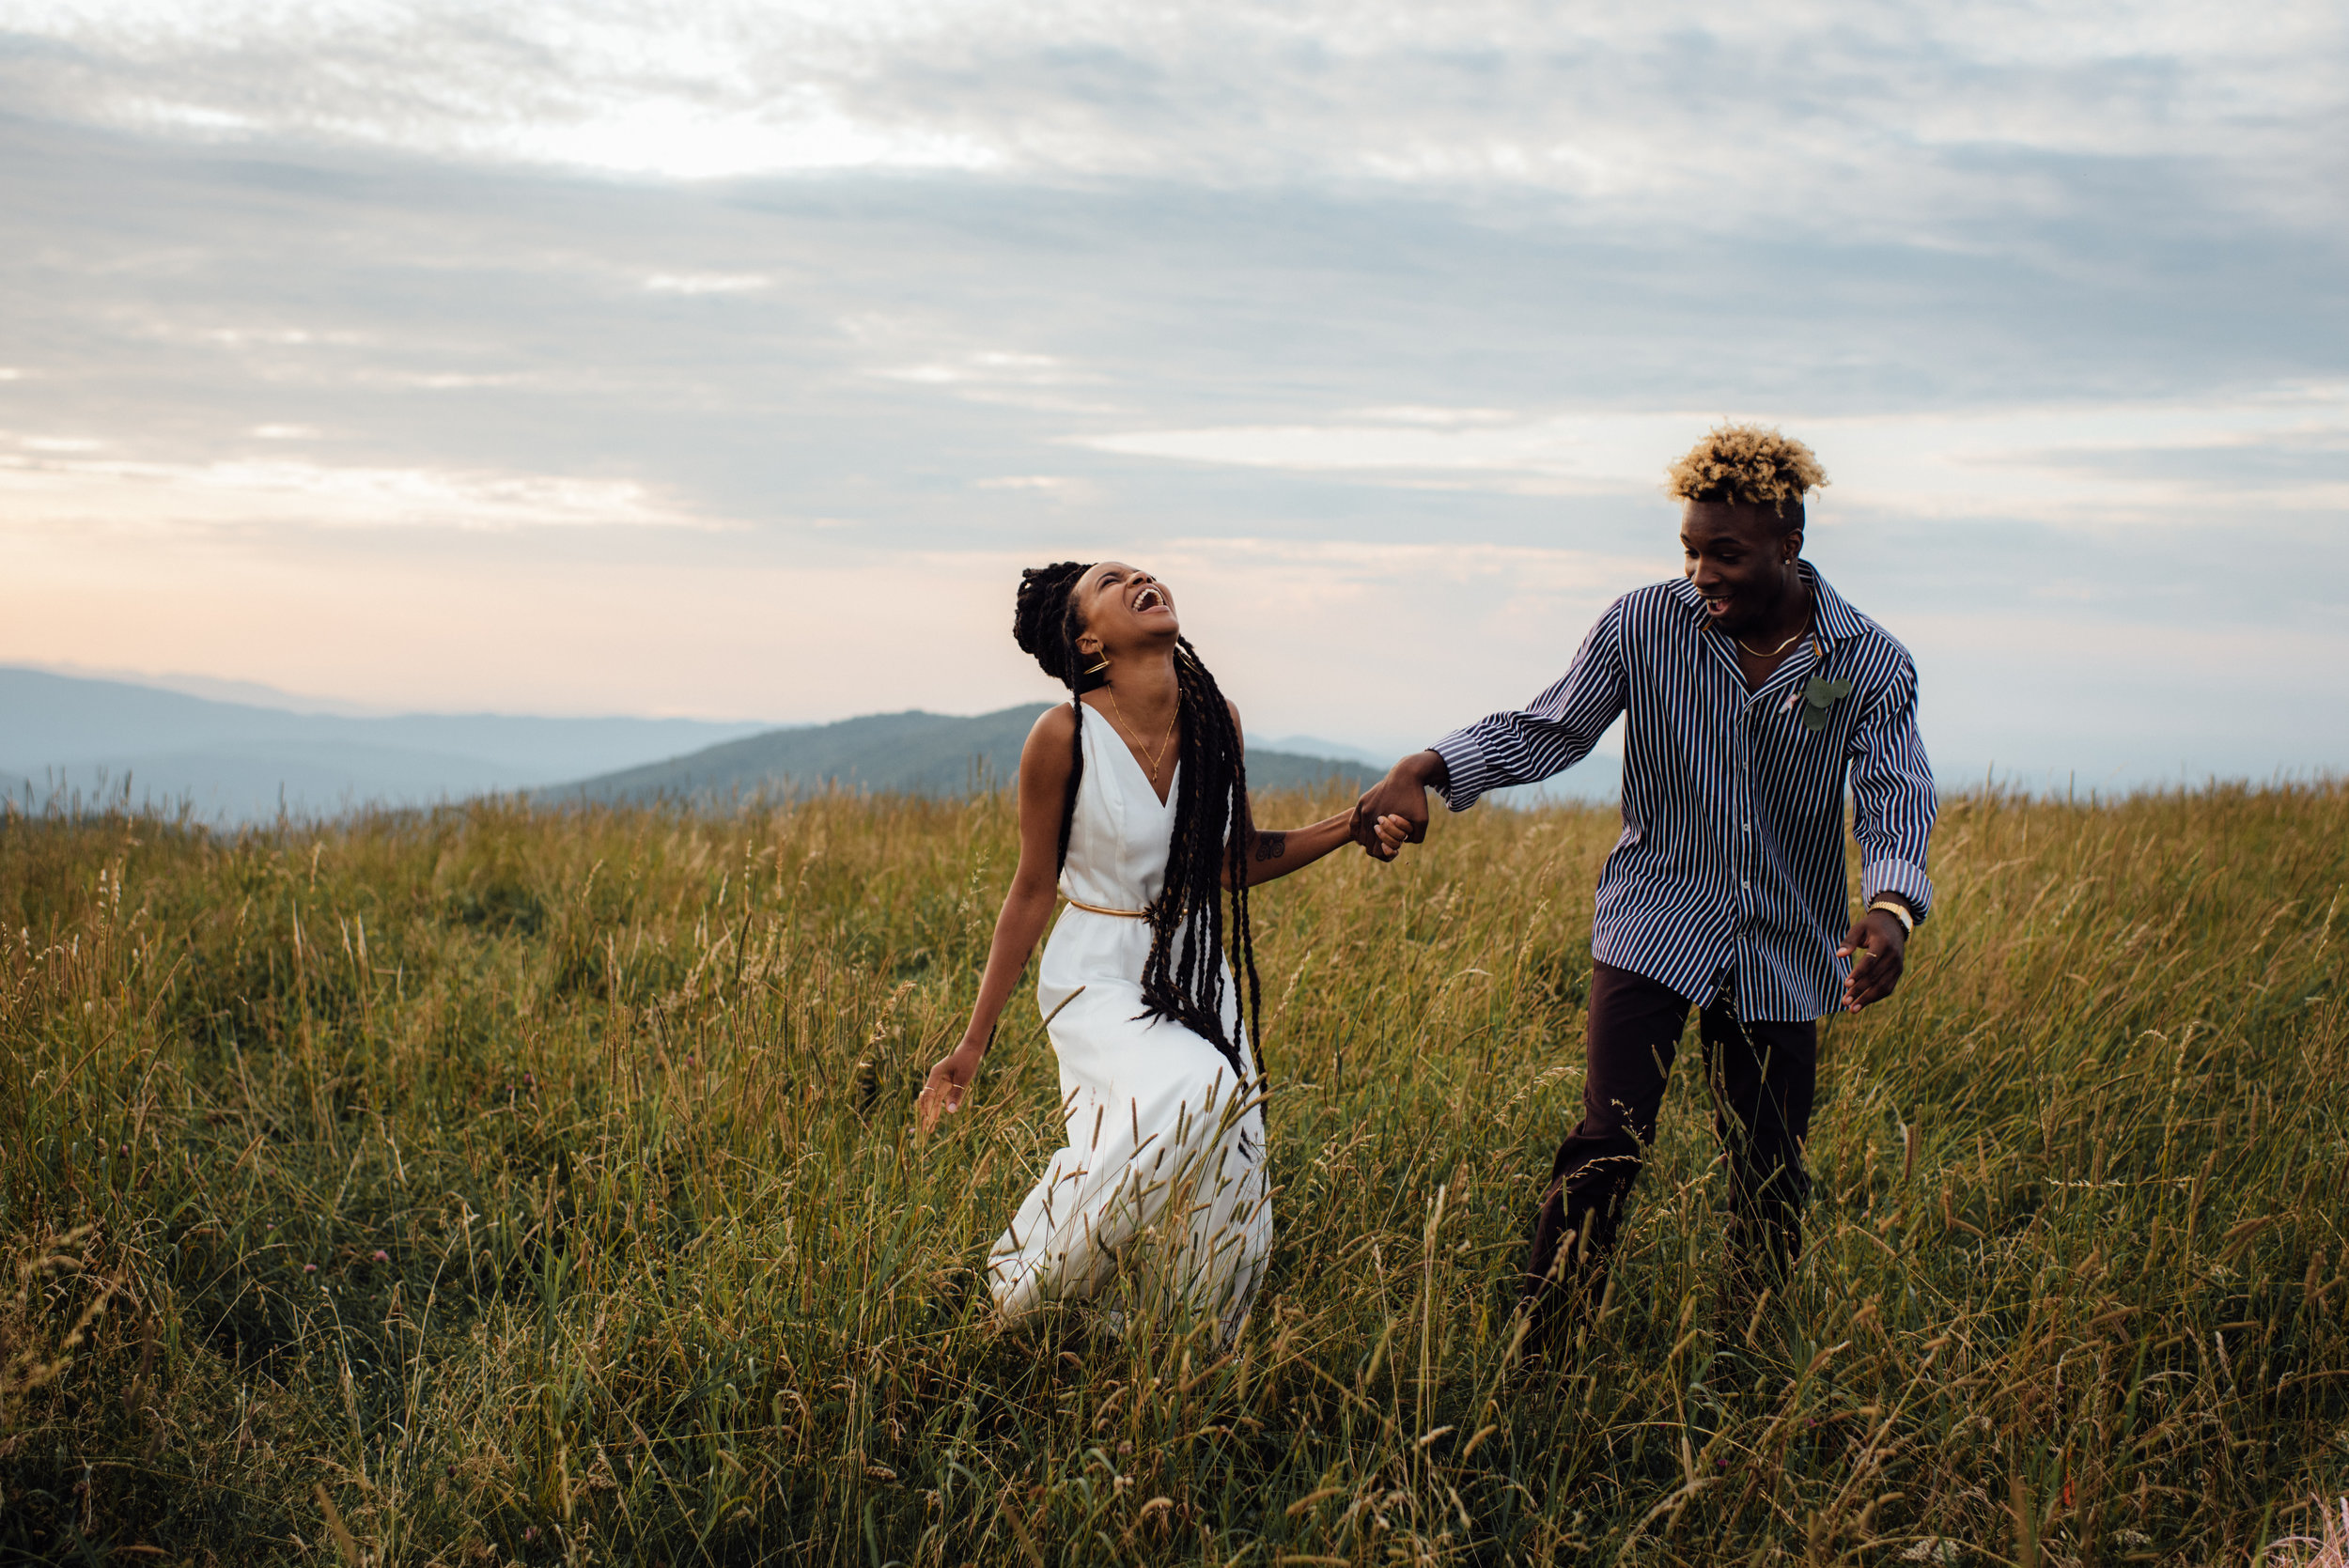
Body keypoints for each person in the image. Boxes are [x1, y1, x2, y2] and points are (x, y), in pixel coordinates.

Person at [1353, 425, 1937, 1356]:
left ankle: (1750, 1363)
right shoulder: (1643, 624)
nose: (1702, 572)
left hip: (1786, 946)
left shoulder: (1865, 662)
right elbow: (1551, 729)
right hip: (1652, 927)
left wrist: (1891, 906)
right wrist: (1424, 766)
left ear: (1788, 546)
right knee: (1605, 1146)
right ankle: (1540, 1359)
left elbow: (1893, 792)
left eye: (1726, 553)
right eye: (1690, 550)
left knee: (1768, 1170)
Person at [918, 560, 1408, 1343]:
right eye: (1113, 583)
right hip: (1097, 969)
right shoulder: (1063, 734)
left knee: (1229, 1143)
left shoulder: (1219, 719)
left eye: (1141, 570)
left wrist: (1348, 825)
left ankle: (1175, 1339)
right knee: (1198, 1087)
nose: (1141, 578)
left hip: (1192, 965)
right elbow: (1031, 890)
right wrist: (972, 1044)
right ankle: (1023, 1295)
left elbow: (1233, 858)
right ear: (1090, 639)